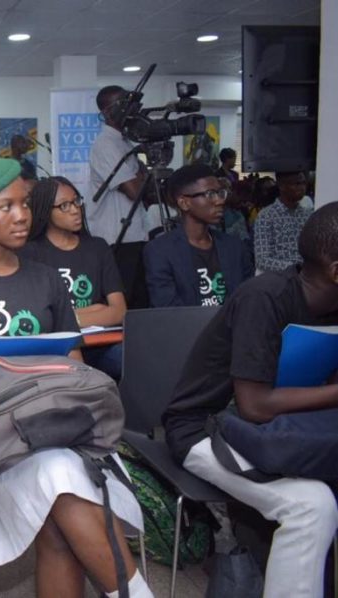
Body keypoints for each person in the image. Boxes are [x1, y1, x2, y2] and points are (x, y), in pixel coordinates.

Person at [0, 159, 150, 598]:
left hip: (50, 424)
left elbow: (73, 363)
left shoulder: (47, 281)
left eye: (24, 204)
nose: (21, 216)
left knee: (59, 513)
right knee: (60, 476)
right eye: (6, 207)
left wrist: (34, 374)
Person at [162, 203, 338, 598]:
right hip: (205, 429)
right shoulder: (265, 297)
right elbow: (254, 405)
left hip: (283, 431)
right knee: (312, 506)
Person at [21, 176, 127, 379]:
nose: (75, 209)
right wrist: (96, 310)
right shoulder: (30, 253)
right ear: (45, 211)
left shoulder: (98, 247)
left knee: (133, 358)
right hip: (57, 350)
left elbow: (119, 312)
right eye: (64, 206)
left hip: (99, 345)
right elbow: (41, 321)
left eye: (76, 201)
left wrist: (65, 317)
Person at [144, 164, 253, 308]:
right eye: (210, 194)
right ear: (184, 203)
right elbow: (168, 310)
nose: (220, 200)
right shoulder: (160, 251)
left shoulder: (234, 247)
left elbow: (248, 299)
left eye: (220, 193)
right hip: (186, 323)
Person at [89, 85, 150, 308]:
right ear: (107, 112)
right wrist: (141, 175)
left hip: (135, 234)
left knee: (140, 302)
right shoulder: (105, 144)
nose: (129, 107)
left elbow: (146, 186)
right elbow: (134, 190)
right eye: (123, 102)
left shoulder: (125, 142)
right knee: (123, 303)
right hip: (117, 238)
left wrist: (142, 175)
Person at [254, 171, 313, 273]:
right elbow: (262, 260)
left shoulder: (307, 214)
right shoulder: (266, 216)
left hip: (307, 276)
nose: (302, 187)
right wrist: (297, 268)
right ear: (282, 186)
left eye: (304, 183)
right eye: (297, 184)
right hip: (279, 278)